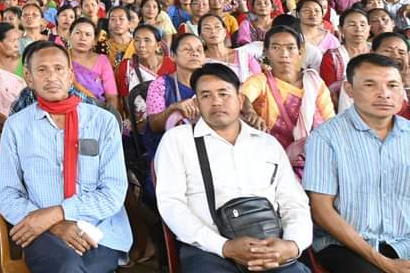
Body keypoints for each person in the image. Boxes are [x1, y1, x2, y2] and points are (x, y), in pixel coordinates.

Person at [154, 63, 312, 273]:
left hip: (269, 246)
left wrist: (292, 245)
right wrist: (224, 247)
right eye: (206, 95)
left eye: (223, 93)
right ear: (197, 103)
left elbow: (294, 203)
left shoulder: (267, 144)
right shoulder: (178, 141)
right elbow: (171, 204)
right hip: (209, 250)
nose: (216, 102)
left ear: (240, 99)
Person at [0, 41, 132, 273]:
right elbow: (7, 194)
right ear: (29, 78)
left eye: (59, 69)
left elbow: (114, 192)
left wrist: (58, 214)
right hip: (42, 233)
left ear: (70, 76)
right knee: (67, 266)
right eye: (42, 70)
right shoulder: (16, 126)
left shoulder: (102, 122)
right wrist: (54, 226)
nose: (52, 77)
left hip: (100, 228)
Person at [304, 53, 410, 272]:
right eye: (370, 85)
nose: (384, 94)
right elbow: (321, 210)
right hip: (347, 245)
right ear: (349, 89)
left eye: (392, 85)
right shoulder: (326, 138)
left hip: (404, 241)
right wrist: (385, 264)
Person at [240, 26, 335, 177]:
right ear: (266, 52)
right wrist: (250, 112)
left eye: (290, 48)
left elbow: (329, 122)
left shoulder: (314, 82)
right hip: (273, 163)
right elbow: (243, 96)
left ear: (300, 52)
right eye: (276, 47)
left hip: (317, 160)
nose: (284, 54)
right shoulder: (260, 81)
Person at [67, 17, 118, 111]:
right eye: (78, 33)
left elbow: (111, 97)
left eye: (88, 34)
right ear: (69, 35)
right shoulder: (61, 57)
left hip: (97, 112)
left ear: (94, 40)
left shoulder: (102, 61)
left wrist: (110, 116)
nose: (82, 38)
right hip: (66, 112)